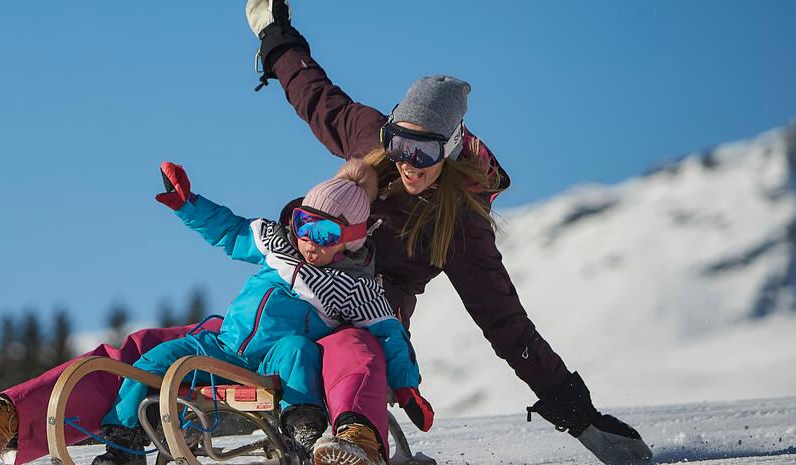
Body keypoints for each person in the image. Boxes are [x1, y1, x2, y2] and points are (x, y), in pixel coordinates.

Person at [245, 1, 653, 464]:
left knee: (354, 350)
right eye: (400, 145)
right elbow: (314, 95)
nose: (407, 163)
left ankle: (352, 439)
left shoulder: (460, 224)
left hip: (373, 310)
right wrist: (275, 33)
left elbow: (505, 323)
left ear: (451, 149)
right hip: (299, 283)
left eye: (424, 152)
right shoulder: (368, 139)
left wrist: (579, 415)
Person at [75, 163, 432, 465]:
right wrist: (187, 204)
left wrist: (406, 387)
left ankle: (301, 426)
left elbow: (389, 334)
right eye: (304, 224)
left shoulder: (353, 286)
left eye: (324, 233)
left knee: (299, 348)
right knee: (157, 359)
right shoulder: (276, 243)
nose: (308, 240)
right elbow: (229, 230)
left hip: (273, 363)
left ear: (351, 239)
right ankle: (124, 444)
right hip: (224, 347)